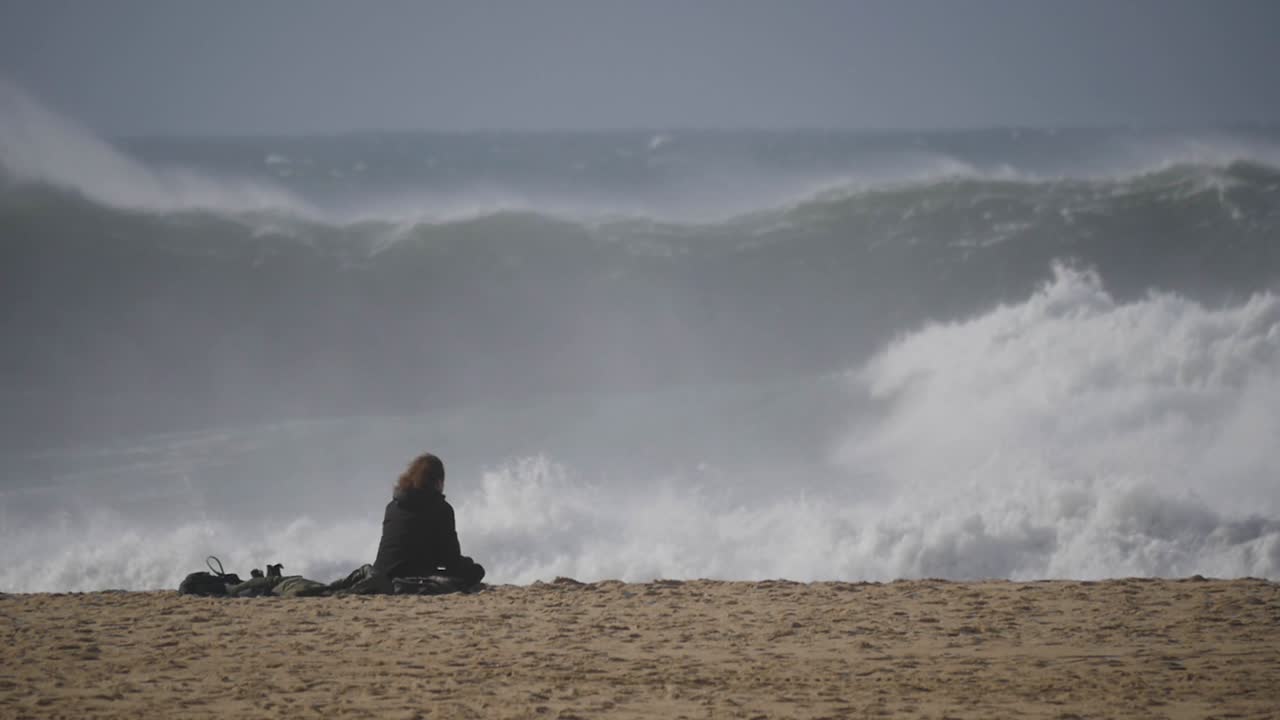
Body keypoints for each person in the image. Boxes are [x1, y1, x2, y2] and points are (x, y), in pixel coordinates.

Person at [373, 452, 485, 589]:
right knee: (476, 571)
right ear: (438, 482)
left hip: (382, 575)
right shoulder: (442, 509)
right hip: (412, 577)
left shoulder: (392, 506)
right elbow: (451, 560)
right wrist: (469, 564)